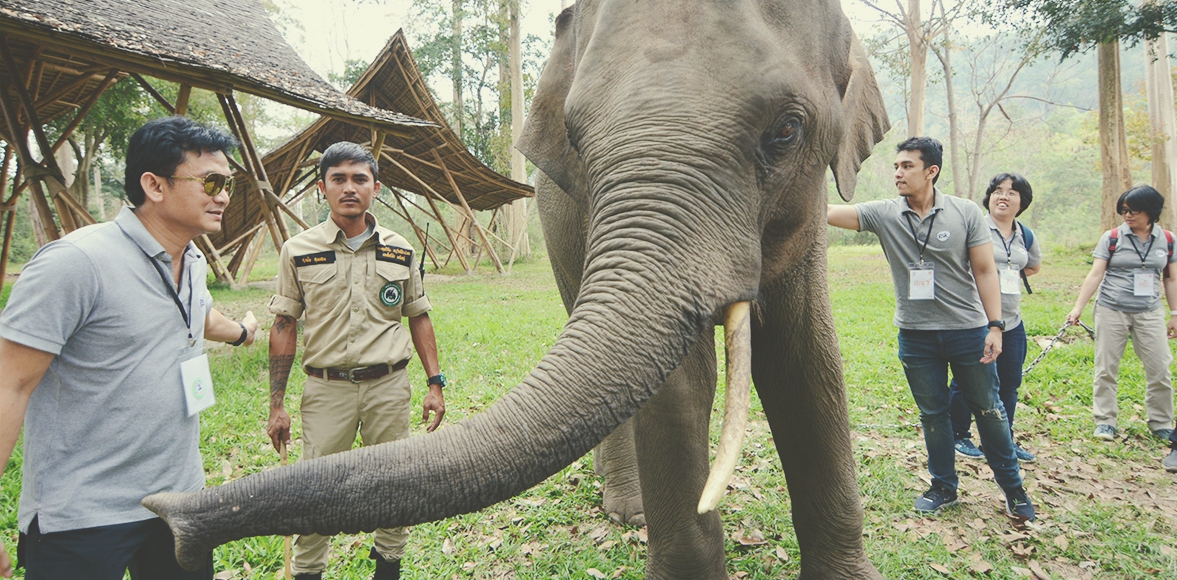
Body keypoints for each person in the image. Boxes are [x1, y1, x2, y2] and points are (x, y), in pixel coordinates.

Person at [0, 116, 259, 579]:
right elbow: (9, 384)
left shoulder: (193, 258)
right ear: (154, 185)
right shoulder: (76, 264)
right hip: (82, 515)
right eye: (211, 181)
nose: (222, 195)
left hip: (179, 501)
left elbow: (197, 316)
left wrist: (242, 332)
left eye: (228, 183)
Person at [827, 136, 1035, 521]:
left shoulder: (966, 212)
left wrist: (994, 325)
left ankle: (1014, 488)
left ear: (931, 171)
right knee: (933, 414)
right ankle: (943, 486)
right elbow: (827, 212)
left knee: (989, 410)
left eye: (907, 166)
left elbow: (985, 270)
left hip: (968, 330)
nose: (898, 173)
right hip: (916, 336)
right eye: (896, 166)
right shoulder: (885, 213)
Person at [266, 142, 446, 580]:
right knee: (316, 489)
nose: (350, 188)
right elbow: (285, 324)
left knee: (394, 484)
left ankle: (388, 568)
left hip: (389, 385)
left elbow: (418, 315)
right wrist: (277, 404)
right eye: (339, 179)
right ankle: (309, 572)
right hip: (327, 389)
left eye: (359, 179)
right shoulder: (298, 250)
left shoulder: (399, 249)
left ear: (376, 188)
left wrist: (435, 383)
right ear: (322, 187)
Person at [1066, 185, 1177, 444]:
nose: (1128, 215)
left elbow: (1170, 280)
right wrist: (1078, 307)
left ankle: (1161, 422)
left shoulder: (1168, 240)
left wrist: (1175, 313)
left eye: (1134, 210)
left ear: (1151, 211)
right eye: (1124, 210)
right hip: (1111, 309)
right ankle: (1105, 421)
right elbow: (1096, 274)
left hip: (1149, 311)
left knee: (1160, 368)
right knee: (1106, 368)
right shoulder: (1113, 237)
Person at [951, 174, 1041, 463]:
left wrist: (1005, 278)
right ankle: (959, 435)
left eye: (1012, 193)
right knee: (968, 379)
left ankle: (1003, 440)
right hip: (975, 318)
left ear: (1022, 202)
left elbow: (1034, 265)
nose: (1003, 196)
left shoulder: (1025, 235)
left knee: (1010, 381)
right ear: (989, 197)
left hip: (1012, 320)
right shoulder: (974, 226)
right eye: (998, 191)